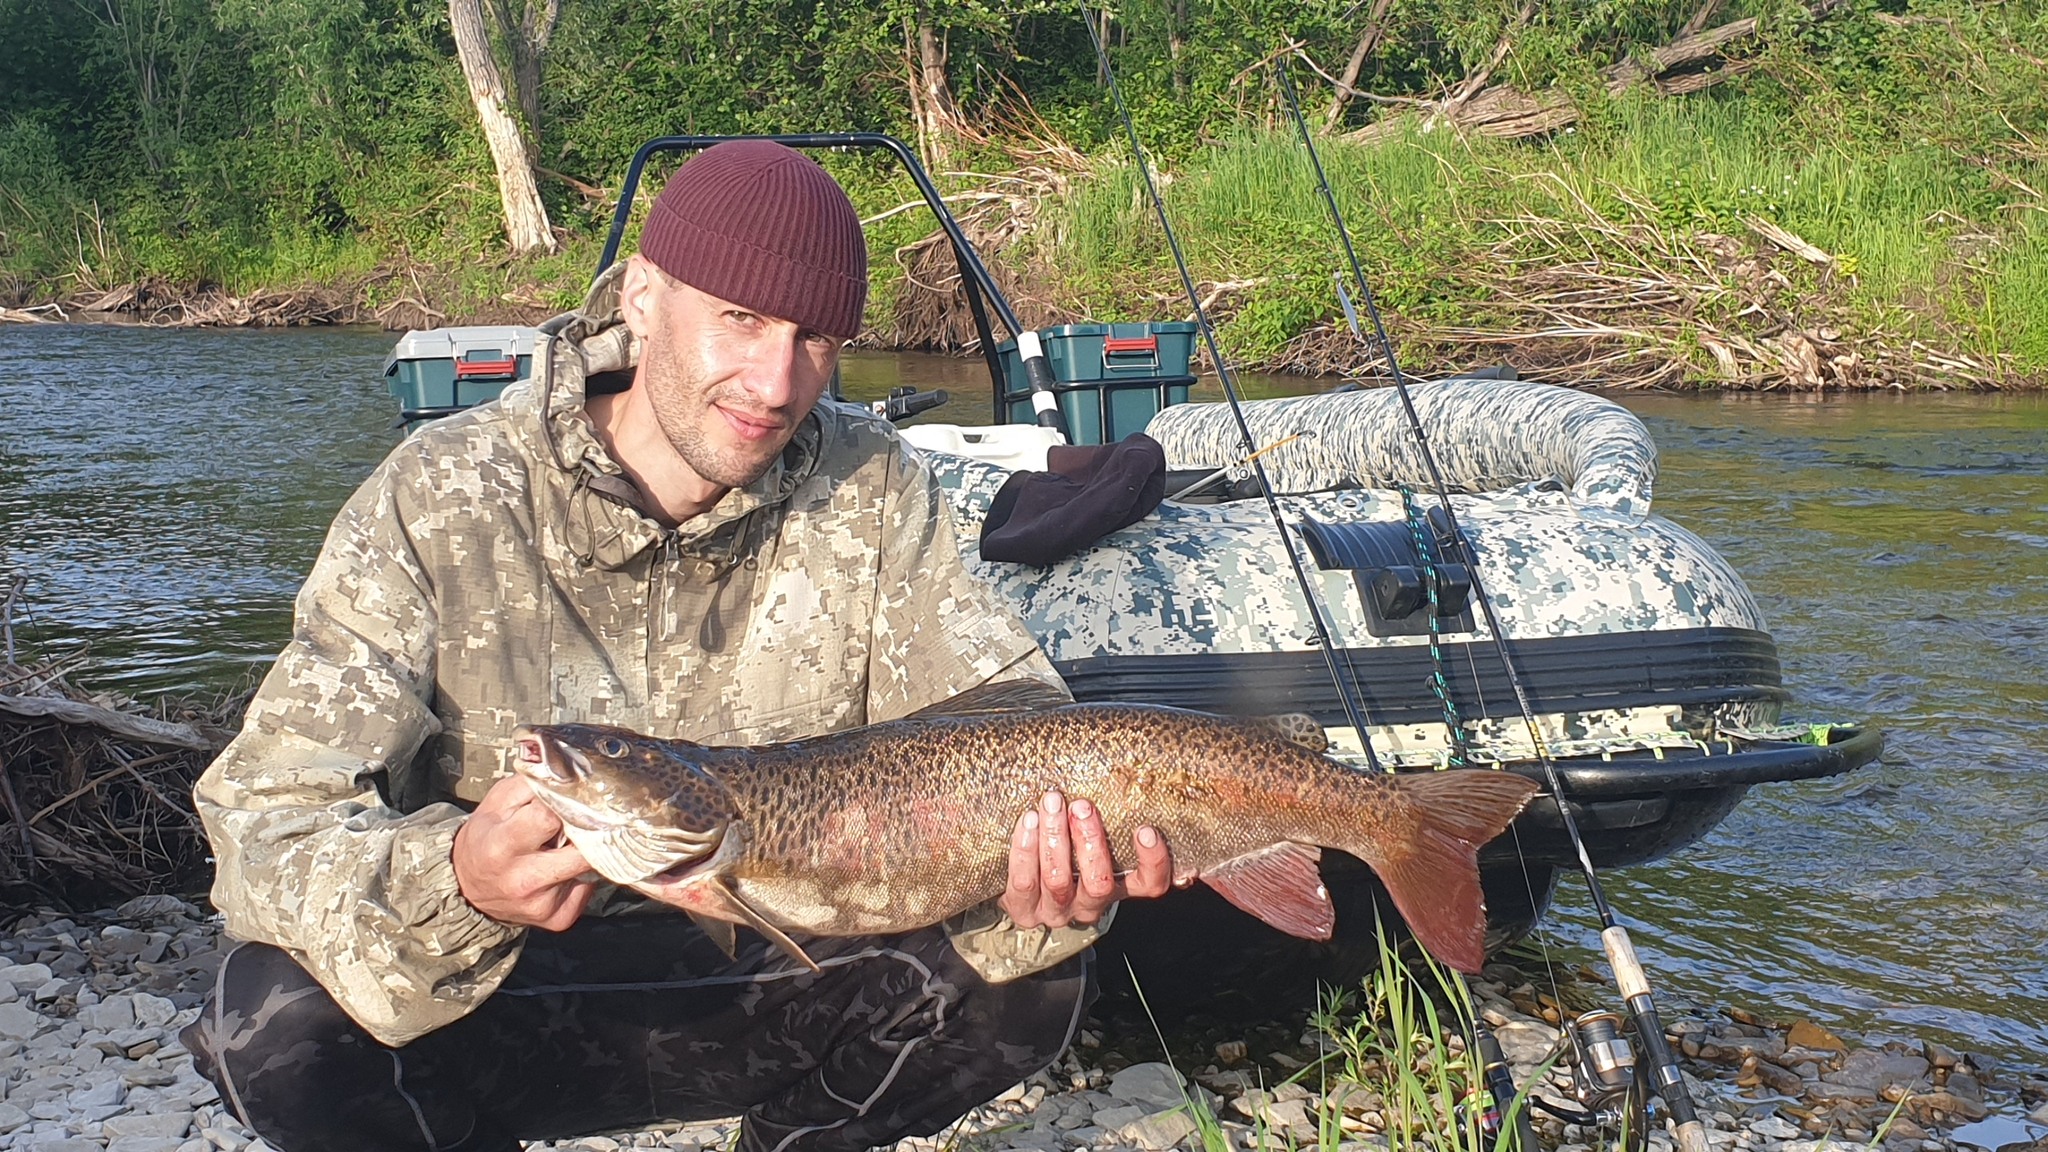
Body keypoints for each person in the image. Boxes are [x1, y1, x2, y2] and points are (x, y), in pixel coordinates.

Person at [181, 140, 1175, 1152]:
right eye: (739, 319)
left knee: (1031, 969)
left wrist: (1049, 873)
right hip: (506, 984)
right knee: (268, 1018)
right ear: (643, 299)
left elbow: (1013, 720)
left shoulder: (873, 487)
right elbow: (261, 823)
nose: (776, 381)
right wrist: (459, 881)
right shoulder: (438, 494)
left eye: (816, 339)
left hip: (778, 951)